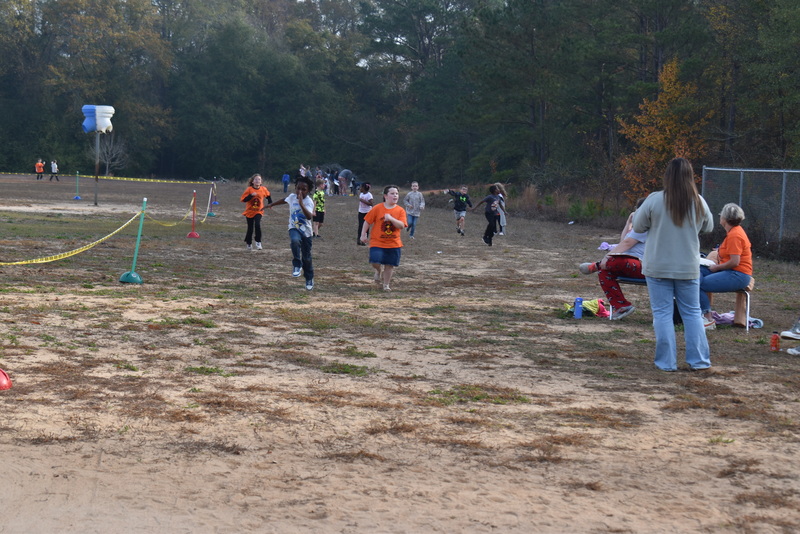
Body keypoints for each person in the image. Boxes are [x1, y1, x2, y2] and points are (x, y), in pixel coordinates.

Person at [632, 157, 714, 372]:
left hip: (658, 266)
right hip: (687, 267)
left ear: (667, 175)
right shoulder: (698, 201)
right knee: (692, 313)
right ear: (690, 176)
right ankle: (699, 361)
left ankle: (666, 362)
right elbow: (709, 227)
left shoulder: (653, 199)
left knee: (662, 314)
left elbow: (638, 226)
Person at [579, 198, 647, 320]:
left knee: (612, 261)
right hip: (632, 264)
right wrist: (628, 222)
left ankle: (596, 265)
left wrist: (607, 256)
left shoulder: (647, 227)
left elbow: (627, 243)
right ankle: (621, 306)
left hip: (646, 267)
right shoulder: (637, 227)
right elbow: (623, 241)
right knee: (605, 270)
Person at [699, 203, 753, 330]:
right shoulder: (733, 232)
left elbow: (735, 261)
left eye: (721, 215)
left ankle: (707, 318)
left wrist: (717, 267)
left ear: (725, 219)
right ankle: (698, 313)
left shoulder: (735, 235)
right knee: (697, 272)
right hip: (731, 271)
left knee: (698, 284)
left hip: (738, 275)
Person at [267, 174, 316, 290]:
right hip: (294, 227)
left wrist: (301, 204)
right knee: (294, 241)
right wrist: (271, 204)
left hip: (307, 233)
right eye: (298, 188)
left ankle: (309, 278)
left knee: (307, 258)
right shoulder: (292, 197)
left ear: (308, 191)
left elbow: (309, 217)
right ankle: (296, 264)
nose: (300, 191)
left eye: (303, 189)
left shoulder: (308, 202)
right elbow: (284, 200)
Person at [359, 185, 408, 291]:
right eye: (392, 193)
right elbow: (367, 221)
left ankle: (386, 285)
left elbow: (401, 225)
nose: (395, 195)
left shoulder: (400, 211)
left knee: (389, 265)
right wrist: (363, 234)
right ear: (385, 196)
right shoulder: (377, 208)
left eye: (396, 194)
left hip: (394, 243)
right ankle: (378, 270)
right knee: (375, 261)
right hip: (377, 242)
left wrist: (391, 218)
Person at [240, 173, 272, 251]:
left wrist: (270, 204)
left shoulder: (263, 189)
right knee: (250, 228)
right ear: (253, 182)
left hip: (259, 211)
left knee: (257, 224)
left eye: (259, 179)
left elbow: (268, 196)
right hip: (249, 211)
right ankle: (249, 243)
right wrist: (251, 195)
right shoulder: (249, 189)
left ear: (261, 182)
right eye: (256, 179)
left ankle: (258, 242)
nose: (257, 181)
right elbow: (243, 200)